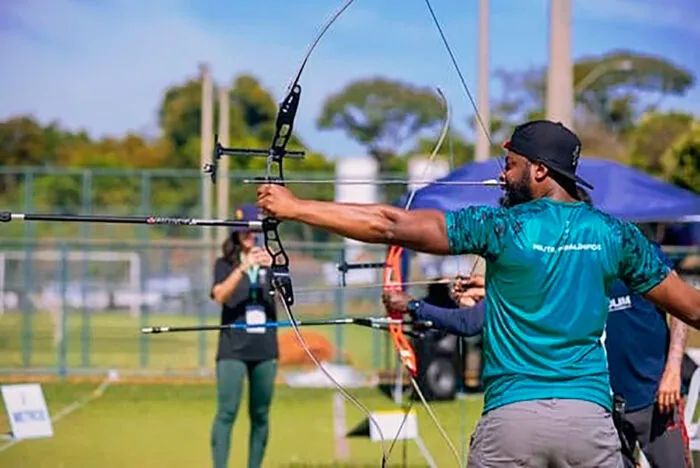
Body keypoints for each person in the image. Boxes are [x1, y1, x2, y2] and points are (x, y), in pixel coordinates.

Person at [257, 119, 700, 467]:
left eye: (510, 165)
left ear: (540, 170)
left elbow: (391, 225)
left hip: (512, 422)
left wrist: (295, 208)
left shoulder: (502, 228)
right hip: (588, 424)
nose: (502, 177)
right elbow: (692, 308)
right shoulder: (615, 235)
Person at [209, 204, 278, 468]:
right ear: (235, 235)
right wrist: (242, 268)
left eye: (253, 231)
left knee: (260, 414)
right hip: (232, 349)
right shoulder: (224, 264)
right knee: (227, 412)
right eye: (244, 232)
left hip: (265, 348)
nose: (249, 236)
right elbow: (219, 296)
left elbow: (287, 297)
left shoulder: (269, 259)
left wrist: (274, 268)